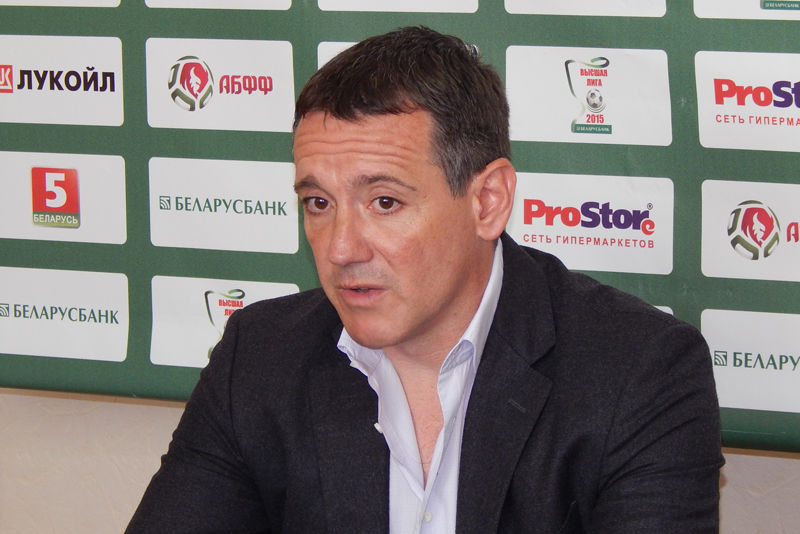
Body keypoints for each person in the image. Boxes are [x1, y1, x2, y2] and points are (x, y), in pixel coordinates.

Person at [126, 27, 723, 534]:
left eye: (384, 202)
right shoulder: (259, 356)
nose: (340, 249)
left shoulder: (639, 371)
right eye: (318, 203)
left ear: (488, 201)